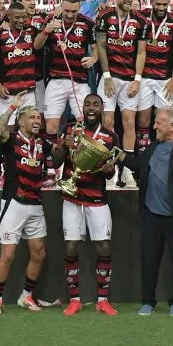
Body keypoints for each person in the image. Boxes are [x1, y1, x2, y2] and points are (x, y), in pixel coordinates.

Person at [117, 107, 173, 317]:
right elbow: (136, 164)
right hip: (151, 216)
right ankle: (148, 301)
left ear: (172, 126)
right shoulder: (152, 148)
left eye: (158, 123)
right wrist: (114, 152)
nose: (154, 126)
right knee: (149, 261)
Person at [0, 94, 65, 315]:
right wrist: (13, 107)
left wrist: (65, 146)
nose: (37, 121)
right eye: (32, 117)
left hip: (35, 203)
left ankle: (27, 296)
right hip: (14, 201)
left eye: (38, 118)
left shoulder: (42, 142)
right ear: (21, 122)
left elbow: (57, 157)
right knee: (8, 254)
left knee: (39, 253)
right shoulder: (11, 139)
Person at [60, 94, 120, 316]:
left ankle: (102, 300)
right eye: (87, 104)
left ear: (102, 108)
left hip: (97, 198)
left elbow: (110, 172)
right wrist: (63, 147)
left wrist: (109, 170)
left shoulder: (111, 137)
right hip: (72, 197)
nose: (91, 108)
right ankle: (74, 300)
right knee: (71, 247)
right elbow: (55, 161)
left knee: (103, 247)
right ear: (82, 108)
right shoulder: (70, 129)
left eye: (96, 104)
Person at [40, 0, 97, 183]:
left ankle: (80, 168)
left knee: (85, 123)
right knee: (51, 125)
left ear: (80, 8)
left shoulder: (88, 24)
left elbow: (96, 50)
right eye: (67, 11)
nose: (70, 14)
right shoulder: (50, 20)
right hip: (56, 80)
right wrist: (46, 30)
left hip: (79, 81)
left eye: (74, 11)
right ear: (61, 6)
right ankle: (50, 169)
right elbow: (37, 46)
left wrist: (93, 58)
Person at [96, 0, 148, 187]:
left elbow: (141, 52)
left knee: (129, 123)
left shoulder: (140, 21)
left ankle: (126, 171)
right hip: (109, 78)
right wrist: (107, 75)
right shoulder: (104, 16)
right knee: (107, 122)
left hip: (130, 80)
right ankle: (109, 168)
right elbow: (101, 47)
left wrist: (137, 79)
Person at [138, 0, 173, 152]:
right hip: (144, 77)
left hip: (165, 78)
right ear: (151, 2)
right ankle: (143, 153)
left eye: (165, 4)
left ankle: (164, 152)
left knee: (165, 120)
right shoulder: (141, 16)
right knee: (143, 119)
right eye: (158, 4)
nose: (161, 7)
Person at [0, 2, 40, 122]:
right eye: (17, 17)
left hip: (28, 91)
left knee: (28, 126)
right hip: (7, 92)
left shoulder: (32, 31)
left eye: (23, 17)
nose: (21, 20)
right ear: (9, 16)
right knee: (6, 128)